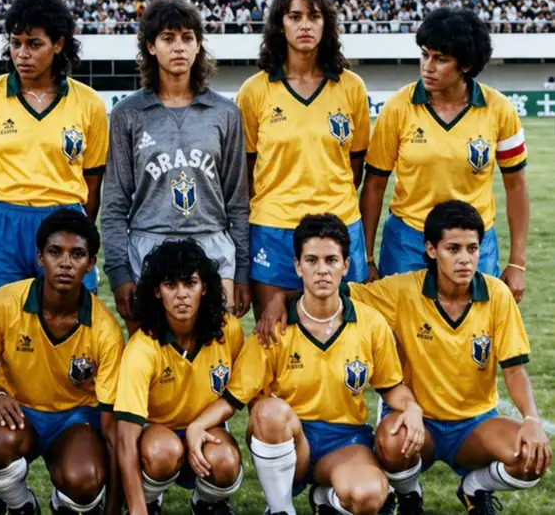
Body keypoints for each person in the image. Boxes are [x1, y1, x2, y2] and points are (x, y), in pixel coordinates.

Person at [257, 200, 549, 514]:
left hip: (475, 424)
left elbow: (515, 371)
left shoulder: (497, 295)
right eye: (453, 248)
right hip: (418, 423)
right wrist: (279, 298)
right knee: (391, 441)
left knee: (531, 457)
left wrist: (530, 419)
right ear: (432, 250)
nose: (465, 259)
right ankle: (410, 495)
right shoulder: (402, 291)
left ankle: (475, 488)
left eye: (472, 248)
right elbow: (333, 289)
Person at [187, 214, 425, 515]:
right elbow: (235, 398)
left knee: (369, 496)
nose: (322, 270)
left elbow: (392, 388)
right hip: (289, 439)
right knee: (268, 410)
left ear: (346, 265)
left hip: (345, 440)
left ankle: (326, 498)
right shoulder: (273, 326)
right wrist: (198, 425)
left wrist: (412, 407)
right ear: (298, 266)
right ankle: (279, 508)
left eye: (331, 260)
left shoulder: (370, 323)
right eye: (311, 260)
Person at [101, 0, 250, 332]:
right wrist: (120, 272)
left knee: (216, 358)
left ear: (199, 46)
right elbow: (114, 205)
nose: (178, 47)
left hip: (212, 243)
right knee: (154, 357)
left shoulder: (225, 113)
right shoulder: (128, 114)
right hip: (149, 244)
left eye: (187, 38)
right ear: (151, 47)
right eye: (168, 38)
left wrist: (241, 269)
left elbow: (238, 202)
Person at [361, 7, 528, 301]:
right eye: (425, 55)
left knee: (474, 336)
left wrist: (517, 262)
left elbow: (515, 186)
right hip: (408, 241)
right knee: (402, 339)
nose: (428, 66)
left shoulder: (500, 109)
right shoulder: (397, 107)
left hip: (473, 242)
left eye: (441, 59)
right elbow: (374, 185)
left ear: (465, 65)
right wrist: (367, 258)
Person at [0, 0, 109, 315]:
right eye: (16, 43)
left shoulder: (89, 103)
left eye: (34, 44)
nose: (22, 54)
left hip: (63, 221)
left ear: (58, 44)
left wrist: (75, 229)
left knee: (70, 334)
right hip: (0, 225)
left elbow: (92, 186)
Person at [0, 208, 124, 515]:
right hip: (20, 411)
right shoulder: (3, 303)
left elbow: (112, 430)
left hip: (75, 419)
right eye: (55, 252)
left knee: (85, 478)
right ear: (40, 257)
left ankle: (66, 504)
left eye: (77, 254)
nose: (65, 263)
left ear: (91, 264)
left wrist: (114, 508)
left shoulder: (106, 330)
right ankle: (21, 505)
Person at [235, 0, 371, 318]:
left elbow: (355, 165)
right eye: (295, 16)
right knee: (275, 339)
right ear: (280, 25)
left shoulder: (351, 88)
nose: (305, 25)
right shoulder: (254, 91)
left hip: (339, 226)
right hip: (274, 229)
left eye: (314, 16)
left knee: (344, 339)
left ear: (327, 23)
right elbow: (247, 170)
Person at [114, 240, 245, 515]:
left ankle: (208, 504)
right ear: (157, 292)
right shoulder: (142, 348)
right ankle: (148, 500)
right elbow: (126, 438)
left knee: (226, 460)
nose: (182, 294)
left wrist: (200, 426)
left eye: (190, 283)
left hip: (208, 430)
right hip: (157, 437)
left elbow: (239, 394)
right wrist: (137, 509)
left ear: (205, 288)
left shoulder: (229, 331)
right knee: (164, 451)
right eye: (171, 285)